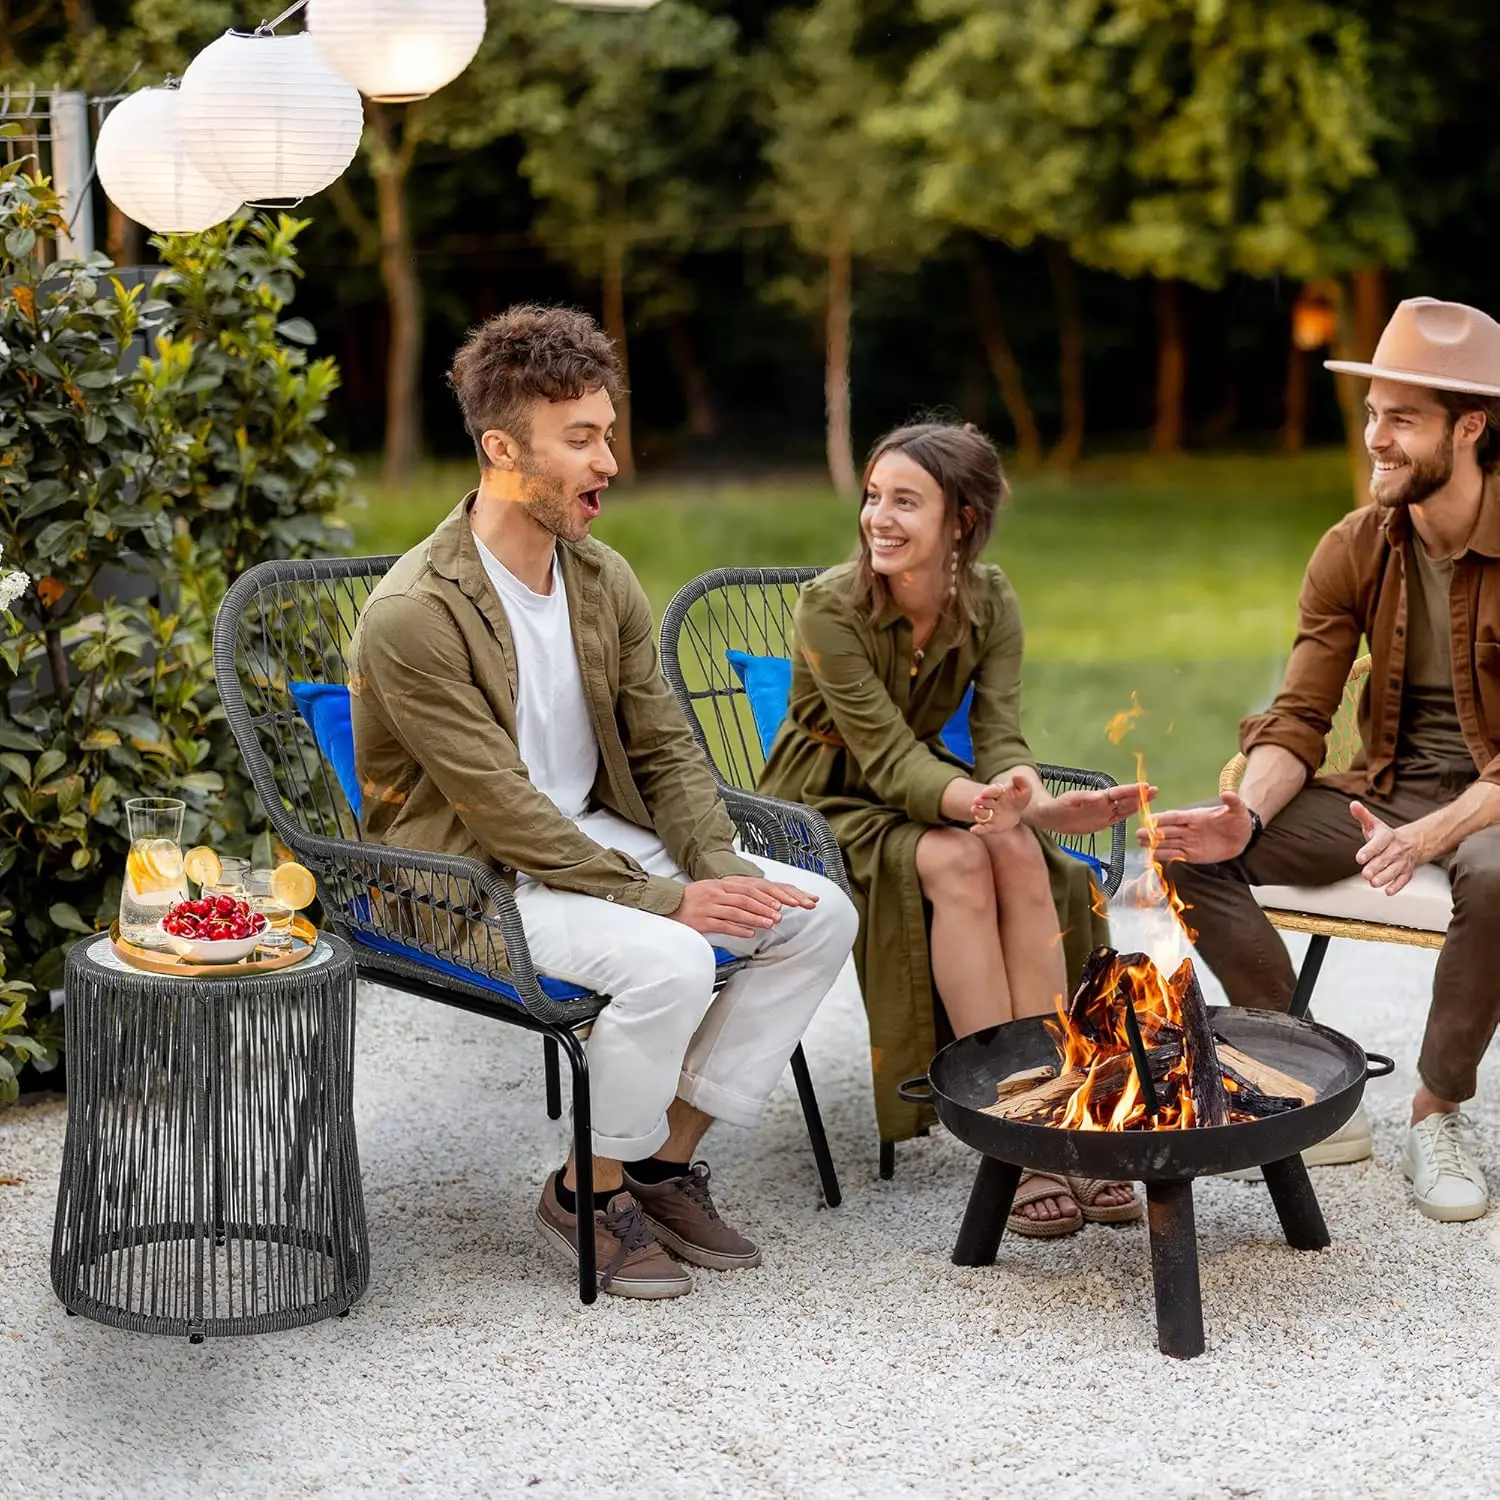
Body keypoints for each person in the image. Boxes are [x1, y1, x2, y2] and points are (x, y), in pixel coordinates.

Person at [348, 304, 859, 1298]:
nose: (609, 462)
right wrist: (671, 903)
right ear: (501, 448)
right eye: (580, 439)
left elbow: (667, 748)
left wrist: (716, 870)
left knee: (814, 915)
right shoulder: (415, 613)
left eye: (608, 434)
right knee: (671, 955)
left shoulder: (599, 576)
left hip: (588, 846)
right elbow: (500, 811)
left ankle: (655, 1166)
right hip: (469, 878)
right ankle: (584, 1195)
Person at [1148, 297, 1500, 1223]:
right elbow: (1302, 717)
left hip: (1491, 807)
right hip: (1387, 790)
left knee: (1497, 874)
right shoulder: (1354, 546)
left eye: (1403, 418)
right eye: (1373, 412)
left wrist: (1437, 831)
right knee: (1190, 851)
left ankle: (1438, 1112)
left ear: (1470, 426)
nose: (1377, 438)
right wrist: (1249, 815)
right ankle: (1310, 1077)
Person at [757, 419, 1154, 1237]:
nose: (879, 519)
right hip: (824, 803)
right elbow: (886, 757)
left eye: (907, 501)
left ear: (961, 521)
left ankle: (1062, 1098)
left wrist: (1031, 800)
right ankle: (1010, 1129)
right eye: (874, 498)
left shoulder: (991, 599)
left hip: (934, 785)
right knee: (963, 863)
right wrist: (987, 805)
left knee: (1021, 852)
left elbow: (1003, 734)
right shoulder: (829, 607)